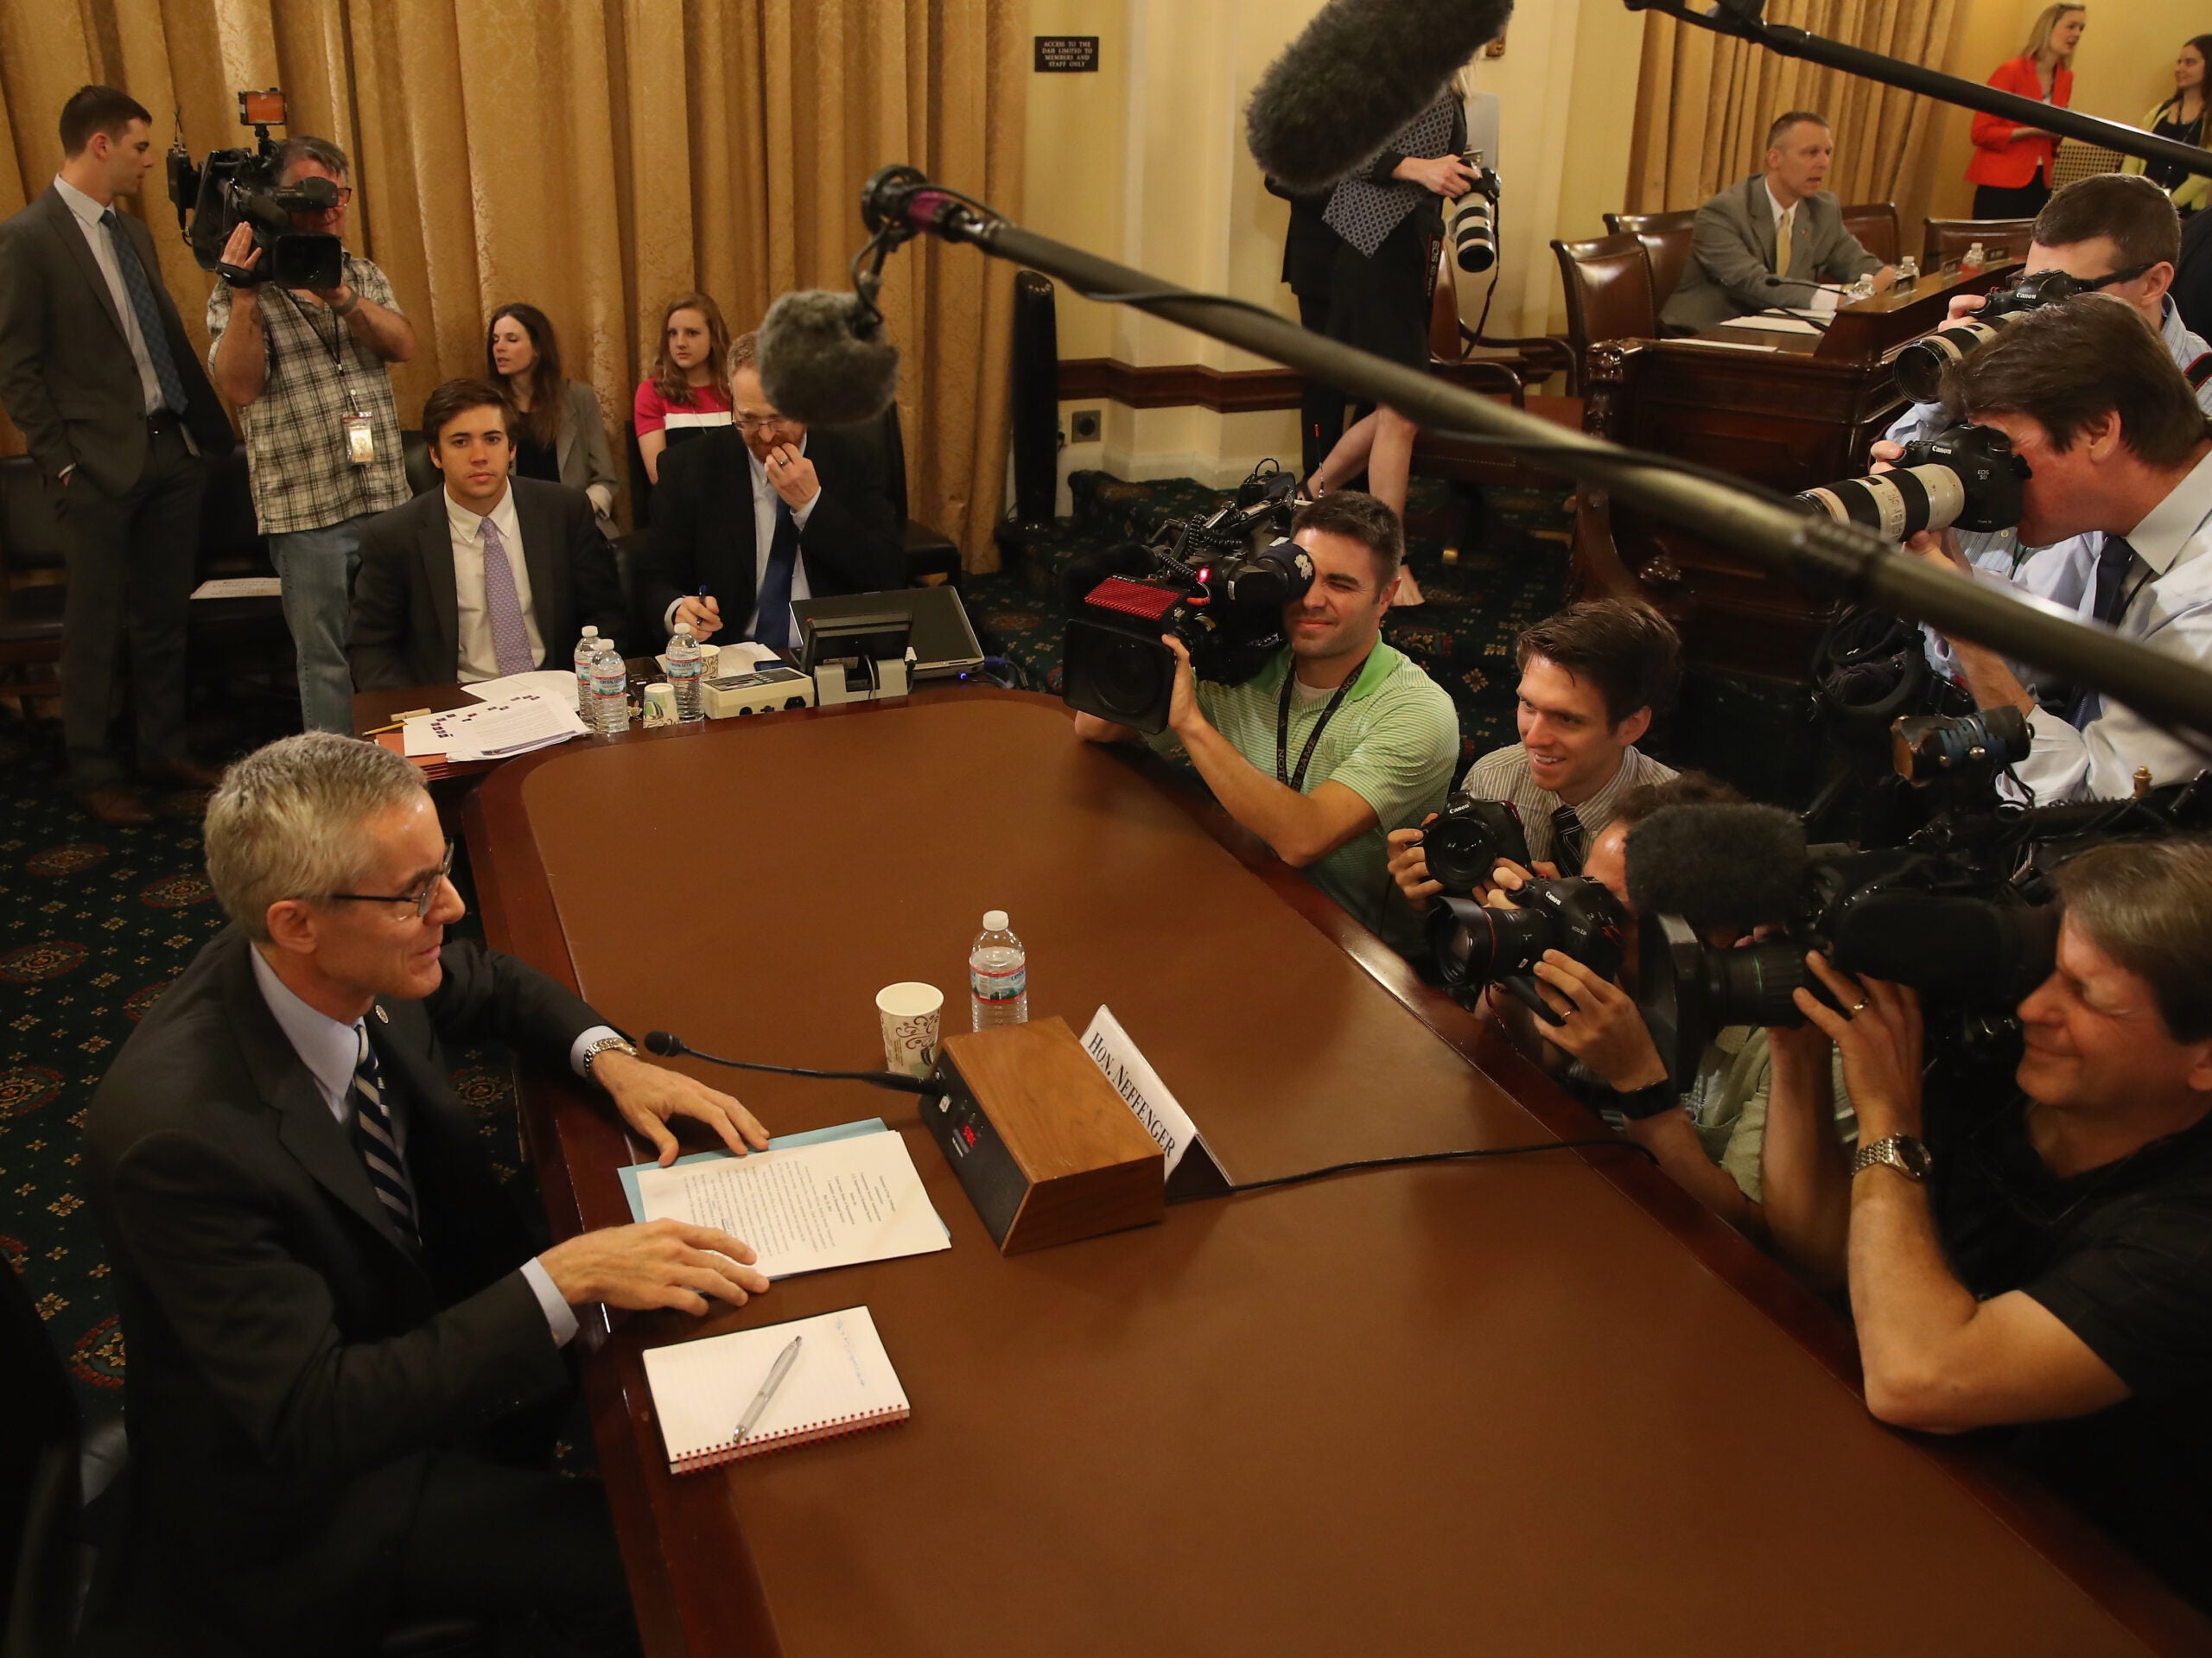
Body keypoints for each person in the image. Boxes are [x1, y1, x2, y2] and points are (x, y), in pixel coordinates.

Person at [84, 732, 773, 1653]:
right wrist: (562, 1280)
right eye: (416, 892)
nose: (450, 905)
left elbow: (490, 984)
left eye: (441, 869)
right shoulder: (176, 1143)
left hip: (408, 1340)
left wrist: (611, 1060)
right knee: (674, 1562)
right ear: (296, 922)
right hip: (310, 1501)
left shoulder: (340, 954)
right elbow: (316, 1414)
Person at [1760, 839, 2212, 1612]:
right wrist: (1797, 1055)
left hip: (2077, 1588)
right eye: (2049, 970)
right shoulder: (1997, 1067)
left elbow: (1917, 1375)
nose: (2034, 1008)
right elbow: (1824, 1258)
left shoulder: (2189, 1234)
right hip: (1893, 1501)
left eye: (2088, 996)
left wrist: (1889, 1119)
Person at [1477, 779, 1854, 1262]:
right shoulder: (1603, 960)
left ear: (1719, 937)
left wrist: (1640, 1082)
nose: (1586, 920)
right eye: (1587, 891)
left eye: (1618, 914)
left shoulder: (1801, 1036)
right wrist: (1512, 960)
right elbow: (1521, 1067)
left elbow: (1757, 1242)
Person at [1074, 491, 1460, 956]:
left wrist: (1191, 723)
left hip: (1356, 955)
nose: (1312, 600)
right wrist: (1159, 604)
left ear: (1386, 596)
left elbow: (1304, 837)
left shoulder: (1417, 711)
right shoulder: (1246, 658)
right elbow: (1094, 727)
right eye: (1303, 578)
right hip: (1237, 908)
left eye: (1341, 585)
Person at [0, 86, 234, 825]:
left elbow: (157, 339)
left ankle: (161, 749)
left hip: (170, 450)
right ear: (100, 145)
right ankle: (93, 768)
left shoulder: (130, 233)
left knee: (163, 617)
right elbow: (17, 368)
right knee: (95, 627)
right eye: (139, 147)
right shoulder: (28, 238)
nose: (148, 162)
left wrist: (202, 439)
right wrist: (62, 463)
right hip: (93, 468)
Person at [1877, 174, 2211, 684]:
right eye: (2028, 288)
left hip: (2052, 685)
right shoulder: (2021, 347)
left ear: (2153, 282)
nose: (2039, 314)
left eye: (2064, 292)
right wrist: (1950, 385)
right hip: (1967, 643)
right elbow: (1897, 464)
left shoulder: (2190, 407)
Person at [1907, 299, 2212, 804]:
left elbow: (2092, 807)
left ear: (2098, 431)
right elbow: (2040, 647)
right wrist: (1950, 571)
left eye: (2002, 448)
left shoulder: (2202, 599)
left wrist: (1962, 623)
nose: (1989, 475)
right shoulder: (2126, 509)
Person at [207, 133, 416, 737]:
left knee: (399, 640)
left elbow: (403, 345)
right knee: (324, 658)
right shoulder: (239, 288)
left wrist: (342, 296)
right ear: (277, 201)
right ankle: (338, 779)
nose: (330, 209)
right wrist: (245, 296)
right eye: (313, 195)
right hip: (305, 509)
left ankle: (408, 765)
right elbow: (239, 387)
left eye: (339, 195)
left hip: (384, 497)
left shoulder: (361, 273)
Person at [1388, 600, 1681, 905]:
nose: (1534, 738)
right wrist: (1425, 902)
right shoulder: (1491, 780)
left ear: (1631, 726)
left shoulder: (1675, 822)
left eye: (1567, 718)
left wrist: (1562, 918)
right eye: (1528, 705)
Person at [631, 328, 903, 652]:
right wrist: (678, 610)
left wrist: (812, 506)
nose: (765, 435)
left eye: (778, 418)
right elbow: (652, 577)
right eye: (748, 419)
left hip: (828, 654)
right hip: (730, 655)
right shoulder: (688, 468)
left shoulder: (852, 458)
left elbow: (887, 572)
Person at [349, 378, 626, 692]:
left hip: (558, 693)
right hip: (455, 703)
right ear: (435, 455)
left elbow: (607, 616)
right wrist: (422, 711)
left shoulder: (564, 512)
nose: (479, 455)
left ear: (512, 448)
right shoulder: (393, 536)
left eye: (492, 439)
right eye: (460, 442)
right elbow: (371, 650)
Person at [1302, 84, 1471, 557]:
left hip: (1406, 248)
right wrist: (1419, 168)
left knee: (1399, 408)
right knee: (1401, 409)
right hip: (1379, 249)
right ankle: (1389, 561)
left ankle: (1300, 502)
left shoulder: (1443, 84)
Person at [1659, 111, 1893, 335]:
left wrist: (1892, 280)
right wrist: (1842, 299)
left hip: (1777, 331)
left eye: (1827, 152)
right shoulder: (1722, 212)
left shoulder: (1823, 209)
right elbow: (1754, 284)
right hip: (1703, 334)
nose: (1824, 163)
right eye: (1811, 152)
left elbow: (1859, 264)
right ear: (1774, 158)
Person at [487, 302, 619, 538]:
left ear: (538, 348)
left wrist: (576, 513)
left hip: (575, 523)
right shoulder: (486, 405)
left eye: (511, 339)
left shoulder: (578, 397)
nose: (499, 347)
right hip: (514, 529)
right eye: (495, 340)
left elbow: (605, 480)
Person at [1967, 3, 2086, 221]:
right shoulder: (2011, 71)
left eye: (2081, 28)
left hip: (2040, 181)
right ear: (2048, 28)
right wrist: (2033, 131)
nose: (2077, 34)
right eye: (2071, 26)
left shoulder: (2066, 77)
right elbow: (1980, 133)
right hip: (2001, 182)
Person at [1263, 173, 1345, 482]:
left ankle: (1363, 480)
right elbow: (1278, 177)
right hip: (1321, 258)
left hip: (1385, 262)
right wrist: (1355, 198)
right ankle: (1318, 481)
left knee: (1383, 377)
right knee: (1323, 378)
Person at [632, 291, 732, 486]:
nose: (680, 343)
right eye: (672, 334)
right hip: (680, 498)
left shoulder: (734, 388)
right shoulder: (652, 392)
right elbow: (659, 475)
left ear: (714, 337)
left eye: (692, 333)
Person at [2122, 35, 2212, 219]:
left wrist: (2171, 205)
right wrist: (2129, 193)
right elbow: (2133, 154)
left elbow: (2202, 177)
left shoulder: (2208, 119)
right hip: (2141, 207)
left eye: (2190, 62)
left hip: (2184, 215)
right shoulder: (2160, 111)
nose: (2179, 69)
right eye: (2179, 62)